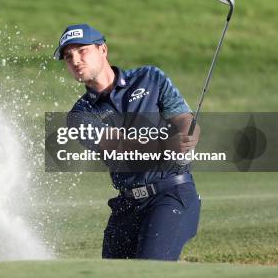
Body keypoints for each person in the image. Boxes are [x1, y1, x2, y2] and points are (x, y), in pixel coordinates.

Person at [54, 23, 201, 260]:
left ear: (103, 50)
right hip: (127, 205)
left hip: (170, 193)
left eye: (82, 51)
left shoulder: (150, 78)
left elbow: (183, 118)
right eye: (68, 56)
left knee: (149, 269)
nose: (75, 60)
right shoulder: (79, 115)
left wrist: (188, 136)